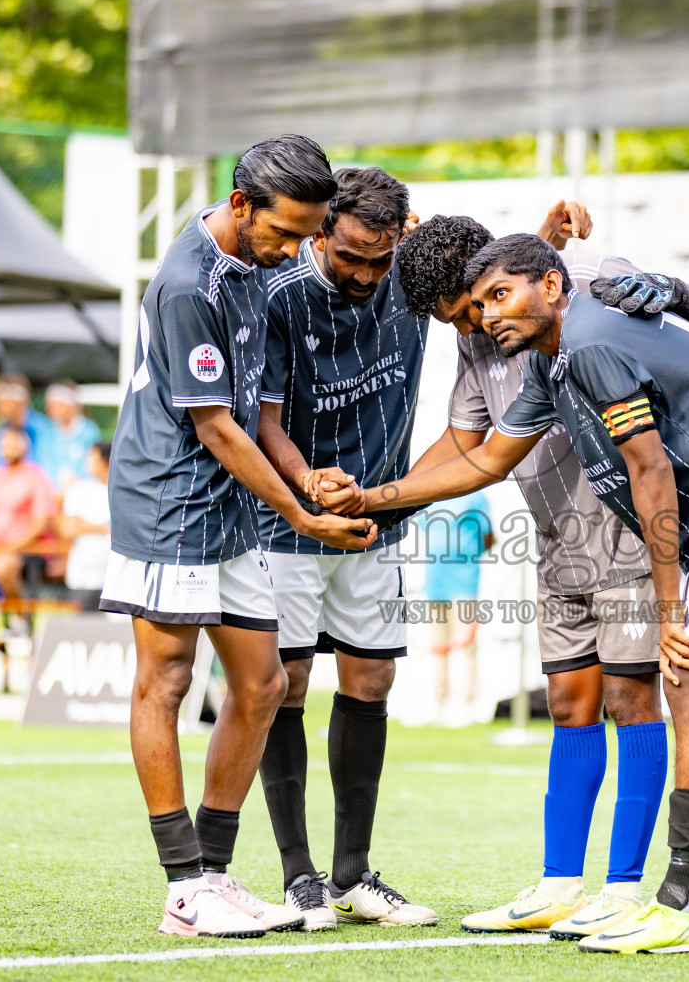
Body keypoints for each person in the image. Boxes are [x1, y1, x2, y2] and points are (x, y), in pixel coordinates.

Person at [349, 235, 689, 954]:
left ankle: (686, 900)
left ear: (551, 284)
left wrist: (668, 613)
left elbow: (651, 471)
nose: (487, 318)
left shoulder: (595, 336)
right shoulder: (550, 361)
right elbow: (484, 461)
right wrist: (370, 500)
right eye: (478, 307)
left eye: (499, 299)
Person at [396, 210, 689, 939]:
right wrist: (379, 501)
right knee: (569, 703)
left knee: (629, 698)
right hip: (555, 536)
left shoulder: (587, 287)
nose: (469, 330)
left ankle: (621, 889)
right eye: (457, 319)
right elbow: (466, 445)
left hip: (627, 530)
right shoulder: (479, 339)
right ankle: (558, 884)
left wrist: (669, 288)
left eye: (470, 312)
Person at [99, 135, 373, 940]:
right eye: (285, 234)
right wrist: (299, 510)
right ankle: (184, 886)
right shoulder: (188, 282)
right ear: (241, 203)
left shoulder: (259, 258)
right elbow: (218, 427)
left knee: (265, 685)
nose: (293, 252)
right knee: (168, 680)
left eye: (304, 236)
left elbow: (253, 416)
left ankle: (216, 871)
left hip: (232, 507)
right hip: (169, 504)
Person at [251, 165, 438, 932]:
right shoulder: (279, 298)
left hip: (375, 521)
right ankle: (299, 877)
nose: (365, 273)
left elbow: (508, 274)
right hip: (288, 524)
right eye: (350, 254)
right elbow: (261, 417)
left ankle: (352, 875)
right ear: (320, 231)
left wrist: (555, 238)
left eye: (379, 258)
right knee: (285, 682)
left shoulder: (415, 281)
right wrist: (305, 486)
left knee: (371, 679)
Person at [418, 494, 494, 721]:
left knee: (465, 643)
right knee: (437, 645)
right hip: (435, 581)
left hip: (465, 581)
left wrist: (468, 553)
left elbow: (489, 536)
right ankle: (437, 701)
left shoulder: (477, 497)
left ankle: (466, 702)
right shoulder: (428, 497)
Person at [0, 429, 57, 598]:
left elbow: (42, 524)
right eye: (5, 444)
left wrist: (9, 548)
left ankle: (20, 618)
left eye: (13, 444)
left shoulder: (36, 477)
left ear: (25, 448)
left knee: (4, 568)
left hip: (29, 550)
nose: (8, 449)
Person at [58, 442, 111, 610]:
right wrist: (103, 527)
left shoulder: (121, 490)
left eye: (92, 457)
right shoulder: (79, 489)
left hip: (113, 577)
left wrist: (83, 524)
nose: (87, 462)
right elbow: (67, 528)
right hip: (82, 576)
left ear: (106, 461)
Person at [42, 382, 101, 489]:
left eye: (58, 406)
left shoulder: (89, 432)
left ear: (73, 406)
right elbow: (43, 462)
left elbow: (94, 466)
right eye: (51, 406)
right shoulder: (47, 431)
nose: (53, 411)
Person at [0, 375, 57, 473]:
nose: (0, 408)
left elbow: (45, 464)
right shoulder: (2, 429)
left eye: (6, 403)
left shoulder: (41, 427)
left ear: (21, 403)